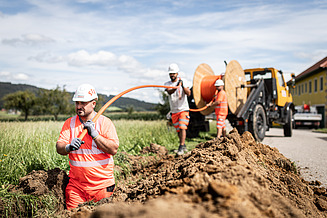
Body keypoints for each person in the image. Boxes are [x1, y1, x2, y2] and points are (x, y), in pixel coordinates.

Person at [56, 84, 119, 210]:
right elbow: (59, 147)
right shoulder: (70, 123)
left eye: (83, 103)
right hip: (77, 188)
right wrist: (68, 147)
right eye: (77, 103)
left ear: (93, 104)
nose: (79, 107)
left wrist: (95, 134)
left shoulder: (105, 123)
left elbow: (113, 149)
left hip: (102, 186)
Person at [164, 63, 191, 155]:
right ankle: (183, 145)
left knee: (182, 127)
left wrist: (182, 86)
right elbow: (170, 92)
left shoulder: (184, 81)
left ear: (177, 73)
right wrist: (176, 86)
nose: (172, 75)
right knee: (178, 130)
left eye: (173, 73)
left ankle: (181, 146)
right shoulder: (167, 84)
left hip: (183, 109)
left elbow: (188, 93)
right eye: (170, 73)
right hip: (174, 110)